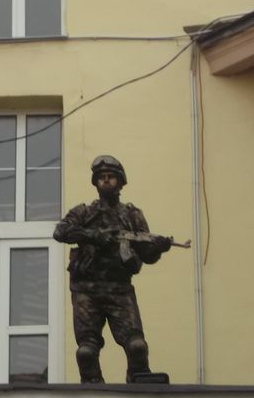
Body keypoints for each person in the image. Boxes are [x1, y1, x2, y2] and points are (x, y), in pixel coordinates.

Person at [53, 155, 171, 383]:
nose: (106, 181)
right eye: (102, 177)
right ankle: (92, 388)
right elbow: (61, 232)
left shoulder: (132, 216)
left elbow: (146, 256)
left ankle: (140, 382)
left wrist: (158, 248)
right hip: (86, 290)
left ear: (120, 182)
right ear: (95, 182)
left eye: (111, 177)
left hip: (119, 289)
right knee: (86, 352)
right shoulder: (84, 213)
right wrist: (93, 236)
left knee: (137, 346)